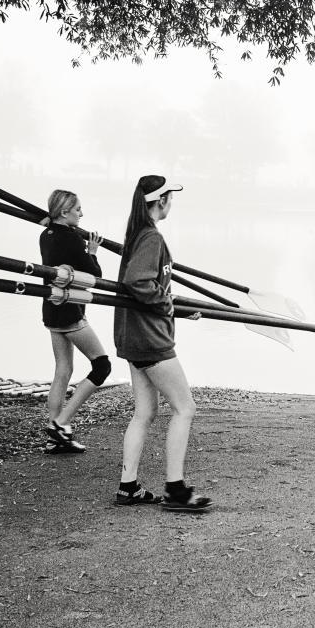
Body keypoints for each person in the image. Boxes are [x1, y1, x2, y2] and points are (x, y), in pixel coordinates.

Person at [111, 175, 210, 513]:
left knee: (145, 412)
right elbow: (137, 281)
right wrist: (166, 304)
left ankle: (128, 487)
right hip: (150, 341)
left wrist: (175, 309)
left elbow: (148, 288)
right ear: (161, 201)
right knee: (186, 408)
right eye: (170, 198)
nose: (172, 204)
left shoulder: (137, 233)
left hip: (133, 337)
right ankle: (176, 490)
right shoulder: (152, 237)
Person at [37, 190, 110, 455]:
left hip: (51, 308)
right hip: (70, 312)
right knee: (102, 366)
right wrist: (92, 251)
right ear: (64, 212)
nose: (82, 214)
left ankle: (56, 437)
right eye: (78, 209)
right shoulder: (71, 238)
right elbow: (95, 274)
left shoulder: (46, 235)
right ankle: (61, 422)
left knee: (63, 370)